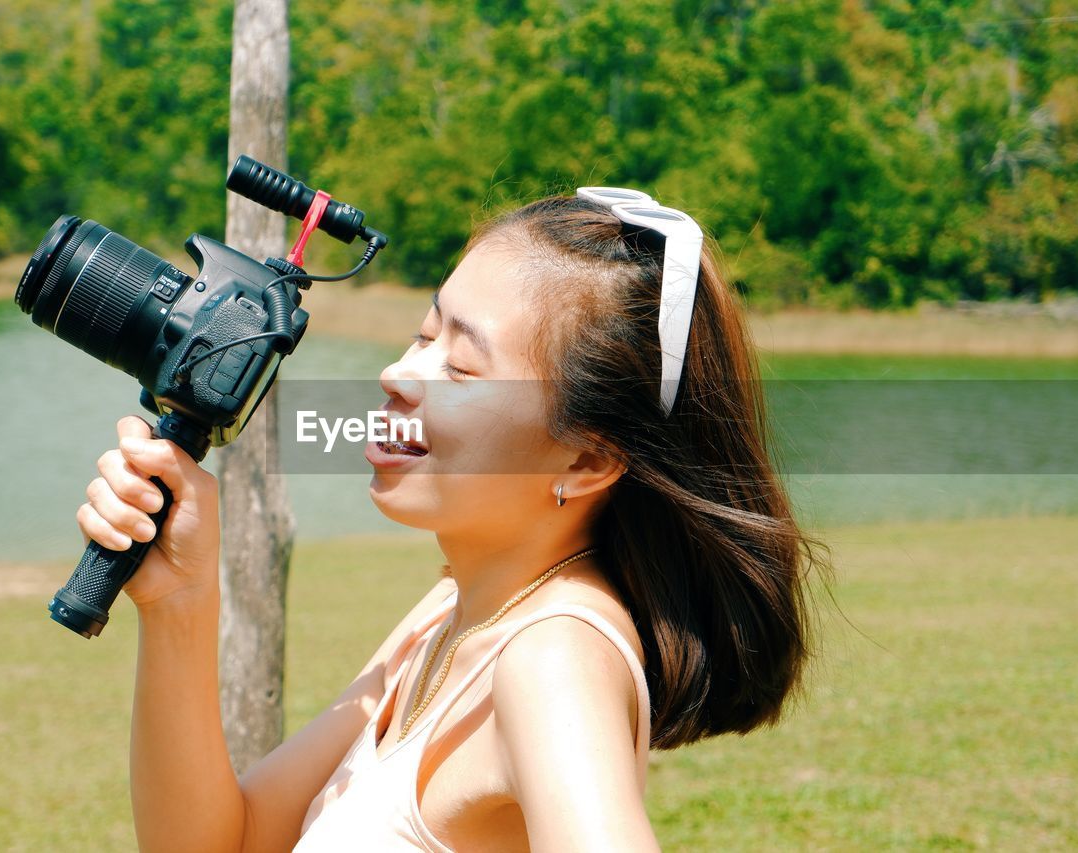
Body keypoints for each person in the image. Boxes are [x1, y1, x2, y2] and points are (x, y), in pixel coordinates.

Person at [77, 187, 821, 851]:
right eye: (425, 333)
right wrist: (179, 601)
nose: (400, 372)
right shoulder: (451, 613)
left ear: (586, 461)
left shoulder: (551, 660)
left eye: (462, 367)